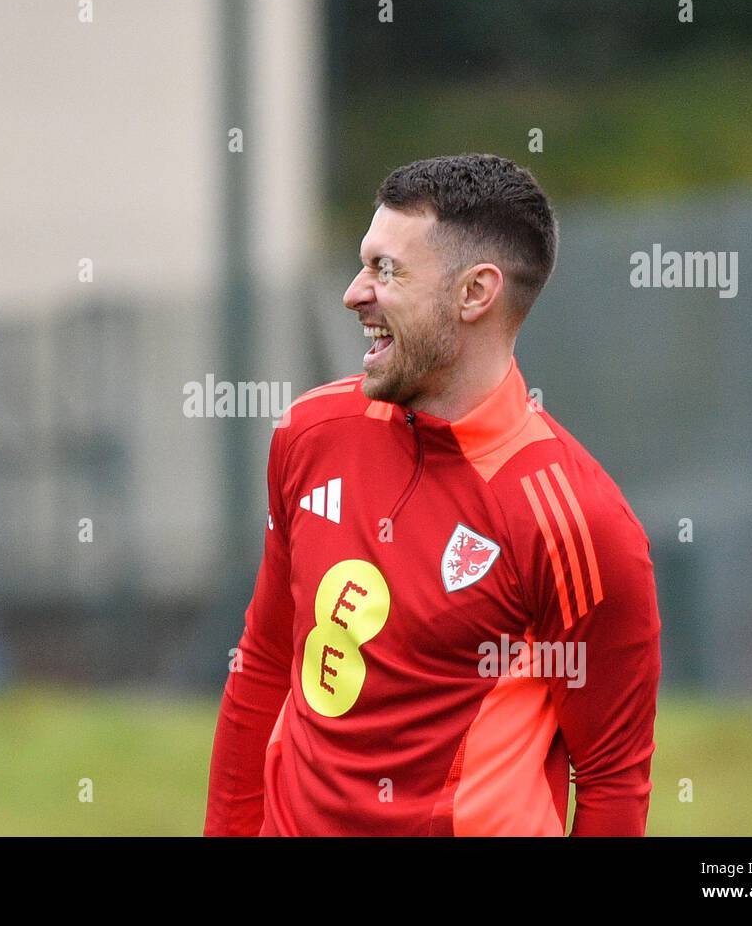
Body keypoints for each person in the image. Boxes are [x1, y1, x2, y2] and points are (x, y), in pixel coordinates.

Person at [204, 154, 661, 836]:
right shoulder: (309, 434)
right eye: (363, 263)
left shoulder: (575, 519)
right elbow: (264, 665)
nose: (355, 292)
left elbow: (612, 779)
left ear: (475, 293)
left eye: (386, 270)